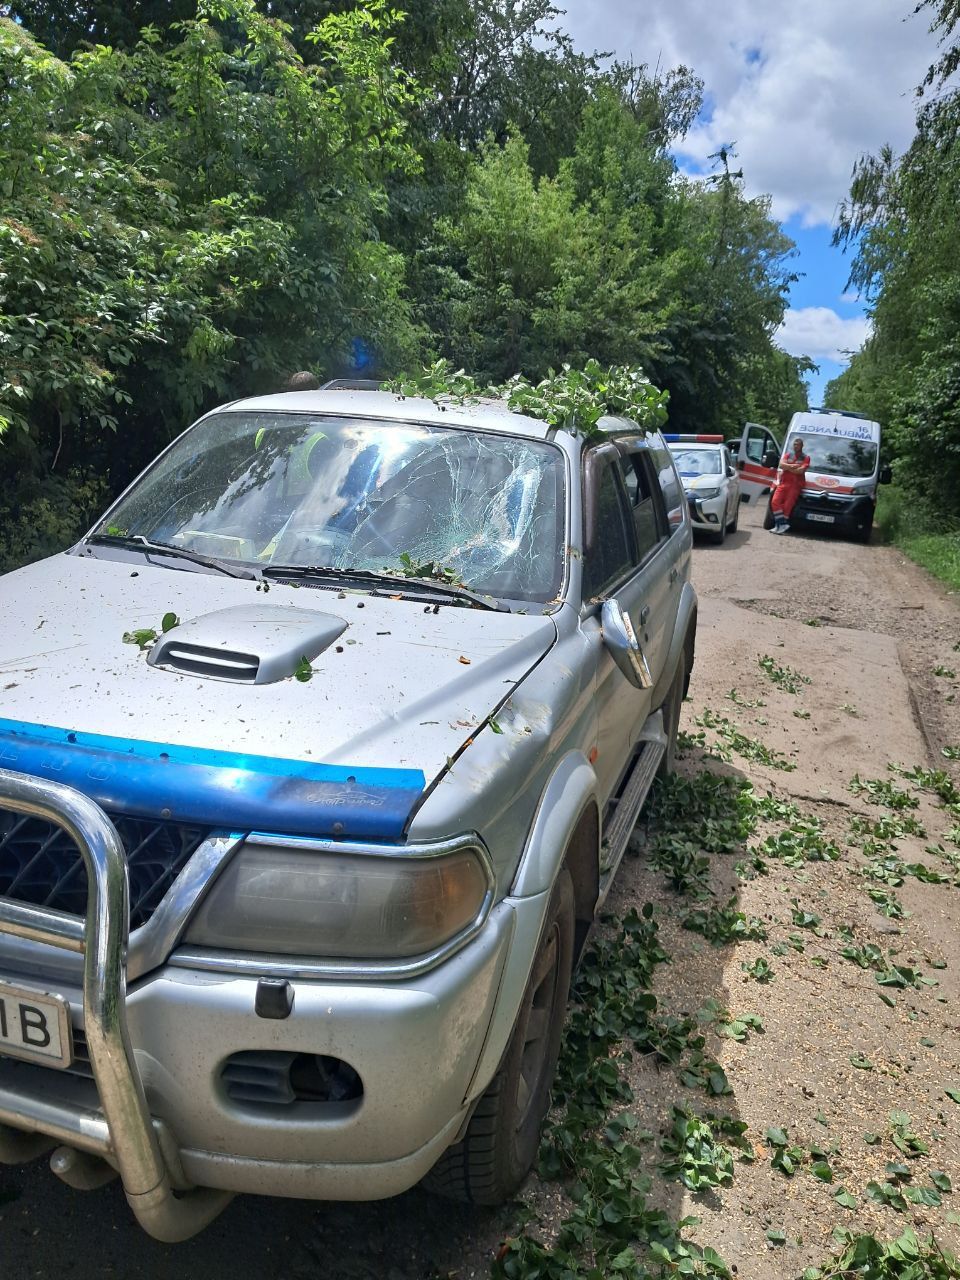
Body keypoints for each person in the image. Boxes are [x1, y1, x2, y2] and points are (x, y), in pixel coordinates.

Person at [770, 436, 810, 534]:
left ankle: (779, 526)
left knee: (787, 506)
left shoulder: (806, 457)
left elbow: (800, 471)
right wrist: (792, 466)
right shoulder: (788, 455)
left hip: (795, 485)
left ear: (802, 446)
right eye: (794, 444)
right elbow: (781, 465)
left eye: (798, 445)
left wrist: (787, 467)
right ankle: (782, 524)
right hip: (784, 483)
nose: (795, 446)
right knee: (774, 502)